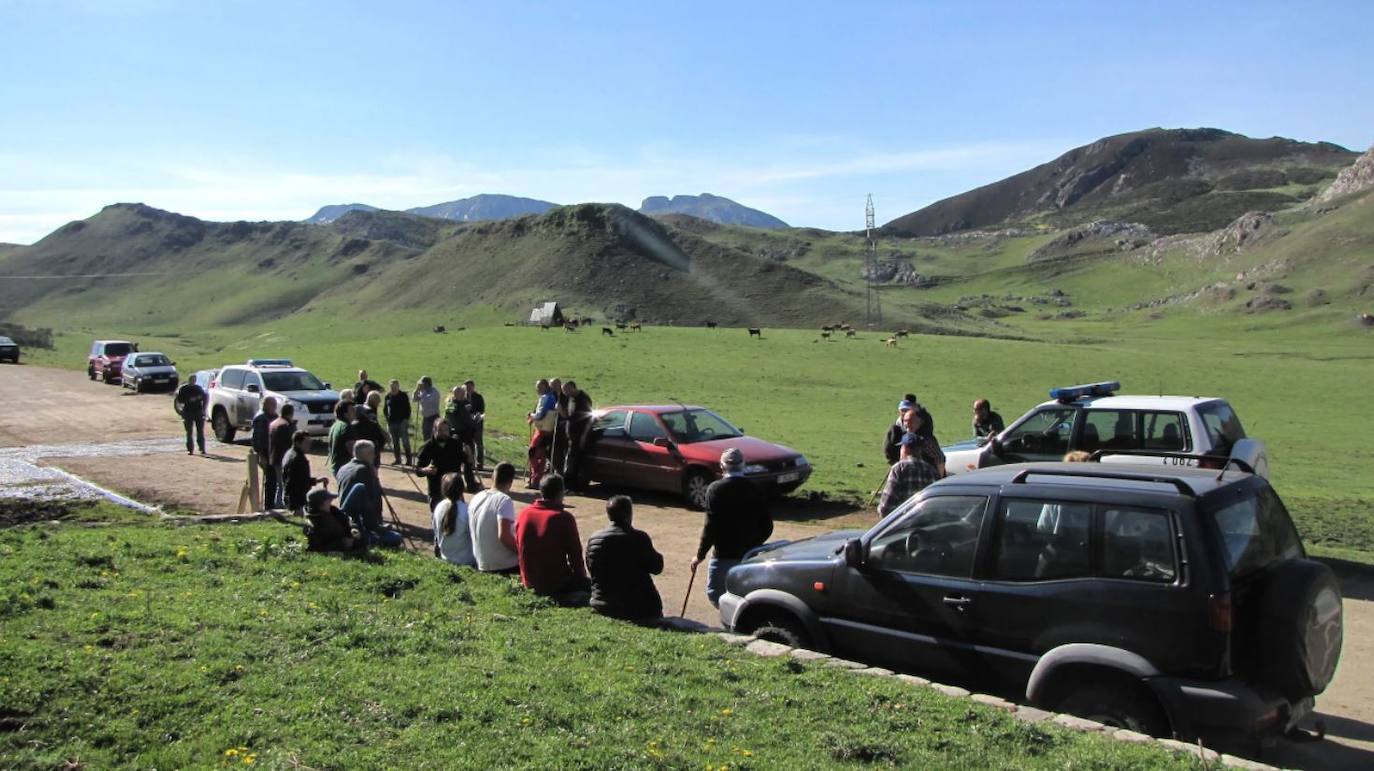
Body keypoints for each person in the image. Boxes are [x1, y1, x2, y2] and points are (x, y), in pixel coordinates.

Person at [691, 449, 773, 607]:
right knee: (746, 594)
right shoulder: (755, 488)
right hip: (749, 555)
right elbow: (767, 525)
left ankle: (729, 624)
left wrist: (700, 555)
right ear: (744, 465)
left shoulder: (715, 489)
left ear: (722, 467)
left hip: (723, 555)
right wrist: (753, 544)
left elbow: (710, 527)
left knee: (716, 593)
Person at [586, 495, 664, 623]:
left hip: (602, 603)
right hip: (639, 607)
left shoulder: (594, 539)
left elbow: (591, 568)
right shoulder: (639, 538)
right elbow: (657, 567)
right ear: (629, 514)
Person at [515, 474, 589, 604]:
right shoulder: (563, 518)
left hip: (529, 580)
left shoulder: (524, 514)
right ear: (561, 493)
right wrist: (581, 579)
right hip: (555, 583)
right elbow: (575, 557)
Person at [337, 440, 402, 547]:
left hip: (345, 517)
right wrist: (376, 526)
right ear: (367, 454)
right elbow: (370, 502)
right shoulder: (364, 470)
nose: (375, 456)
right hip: (359, 522)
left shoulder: (343, 468)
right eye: (372, 453)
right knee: (396, 537)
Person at [468, 462, 519, 574]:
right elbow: (504, 536)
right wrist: (522, 552)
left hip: (481, 562)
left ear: (492, 477)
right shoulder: (504, 500)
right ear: (511, 482)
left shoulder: (476, 497)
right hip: (503, 565)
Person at [877, 433, 941, 517]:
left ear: (905, 448)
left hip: (904, 523)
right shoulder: (931, 470)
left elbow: (885, 508)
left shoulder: (899, 469)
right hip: (926, 521)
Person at [415, 421, 472, 509]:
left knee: (458, 518)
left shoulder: (456, 444)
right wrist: (425, 470)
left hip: (455, 491)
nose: (443, 433)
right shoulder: (427, 447)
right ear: (434, 430)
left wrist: (469, 455)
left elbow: (467, 462)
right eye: (440, 430)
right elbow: (418, 470)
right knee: (438, 519)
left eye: (446, 430)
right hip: (436, 492)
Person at [432, 472, 476, 566]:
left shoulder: (439, 507)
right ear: (462, 490)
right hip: (467, 561)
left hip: (445, 558)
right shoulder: (467, 510)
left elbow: (436, 532)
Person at [560, 380, 595, 488]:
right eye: (564, 391)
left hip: (578, 435)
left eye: (566, 390)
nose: (565, 393)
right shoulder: (571, 398)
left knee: (573, 460)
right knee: (570, 459)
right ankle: (569, 484)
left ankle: (572, 485)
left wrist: (564, 414)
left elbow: (580, 417)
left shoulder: (583, 399)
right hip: (571, 435)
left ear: (572, 387)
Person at [303, 487, 359, 552]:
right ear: (322, 504)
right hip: (350, 537)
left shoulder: (320, 511)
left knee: (358, 487)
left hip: (346, 526)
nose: (331, 500)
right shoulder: (322, 525)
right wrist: (343, 543)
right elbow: (317, 548)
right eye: (328, 499)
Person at [281, 430, 323, 514]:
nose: (309, 445)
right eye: (306, 442)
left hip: (288, 496)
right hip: (297, 501)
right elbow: (301, 482)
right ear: (297, 443)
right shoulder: (298, 459)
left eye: (309, 442)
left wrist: (317, 480)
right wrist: (314, 481)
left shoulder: (289, 453)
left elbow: (300, 478)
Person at [526, 379, 558, 487]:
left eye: (539, 387)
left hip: (542, 431)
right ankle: (536, 479)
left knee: (533, 453)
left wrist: (531, 415)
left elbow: (540, 415)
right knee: (540, 454)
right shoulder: (548, 397)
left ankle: (536, 479)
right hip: (544, 429)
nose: (537, 389)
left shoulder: (547, 397)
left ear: (545, 386)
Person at [251, 397, 280, 511]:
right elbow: (257, 439)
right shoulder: (261, 419)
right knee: (270, 481)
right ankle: (268, 506)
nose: (274, 406)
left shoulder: (274, 417)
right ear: (265, 405)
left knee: (275, 480)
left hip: (274, 454)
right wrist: (261, 455)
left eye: (275, 404)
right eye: (272, 404)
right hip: (265, 454)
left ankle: (273, 504)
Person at [268, 403, 298, 508]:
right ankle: (280, 505)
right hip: (284, 459)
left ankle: (278, 503)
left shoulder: (273, 423)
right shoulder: (286, 425)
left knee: (278, 484)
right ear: (291, 413)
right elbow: (293, 442)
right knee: (284, 484)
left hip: (274, 457)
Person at [902, 408, 946, 476]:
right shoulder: (907, 438)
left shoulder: (927, 441)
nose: (907, 424)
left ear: (921, 422)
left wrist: (938, 478)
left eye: (911, 420)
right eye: (905, 421)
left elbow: (939, 458)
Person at [383, 379, 413, 466]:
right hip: (392, 422)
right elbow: (385, 409)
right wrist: (387, 419)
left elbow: (408, 409)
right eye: (391, 387)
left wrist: (406, 420)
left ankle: (409, 460)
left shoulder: (403, 396)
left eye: (395, 386)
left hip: (402, 422)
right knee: (395, 442)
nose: (393, 388)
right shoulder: (388, 396)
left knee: (405, 441)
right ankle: (398, 459)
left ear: (398, 386)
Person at [174, 378, 208, 455]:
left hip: (198, 412)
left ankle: (202, 448)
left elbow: (204, 397)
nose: (193, 381)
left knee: (200, 431)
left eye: (194, 380)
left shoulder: (198, 388)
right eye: (192, 380)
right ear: (189, 380)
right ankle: (190, 449)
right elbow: (179, 399)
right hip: (188, 412)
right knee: (189, 432)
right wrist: (189, 400)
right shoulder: (184, 389)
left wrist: (203, 409)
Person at [352, 403, 389, 470]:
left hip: (359, 454)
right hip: (372, 452)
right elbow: (382, 438)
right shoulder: (373, 424)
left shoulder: (352, 426)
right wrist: (378, 449)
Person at [328, 401, 356, 477]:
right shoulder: (346, 427)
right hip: (346, 468)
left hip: (337, 467)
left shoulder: (335, 425)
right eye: (352, 410)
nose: (355, 412)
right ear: (345, 414)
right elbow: (352, 449)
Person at [412, 376, 442, 441]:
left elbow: (426, 400)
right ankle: (427, 449)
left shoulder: (434, 392)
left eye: (422, 384)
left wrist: (422, 393)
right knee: (426, 436)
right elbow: (414, 400)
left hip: (434, 418)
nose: (421, 386)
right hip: (425, 418)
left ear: (427, 384)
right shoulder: (422, 391)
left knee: (434, 436)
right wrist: (416, 391)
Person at [464, 379, 486, 469]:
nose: (468, 389)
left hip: (477, 423)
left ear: (473, 387)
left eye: (470, 387)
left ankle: (480, 463)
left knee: (479, 444)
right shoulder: (463, 397)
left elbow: (482, 409)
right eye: (466, 387)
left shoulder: (478, 397)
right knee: (469, 443)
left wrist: (476, 415)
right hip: (467, 423)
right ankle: (471, 462)